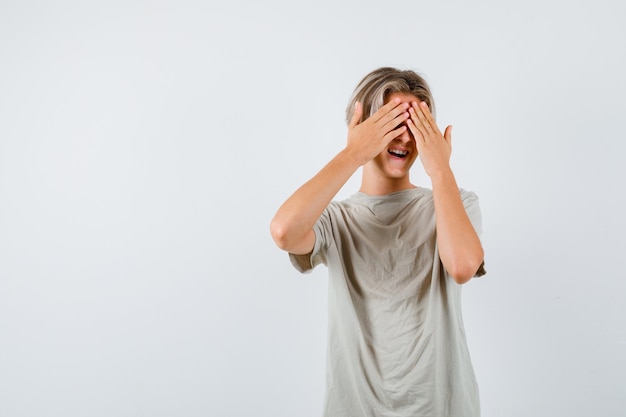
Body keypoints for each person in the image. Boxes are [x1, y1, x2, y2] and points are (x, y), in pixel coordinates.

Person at [270, 67, 486, 417]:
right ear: (362, 130)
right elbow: (284, 231)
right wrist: (353, 153)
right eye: (390, 124)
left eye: (416, 125)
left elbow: (462, 266)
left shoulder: (454, 204)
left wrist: (440, 170)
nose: (404, 138)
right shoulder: (335, 220)